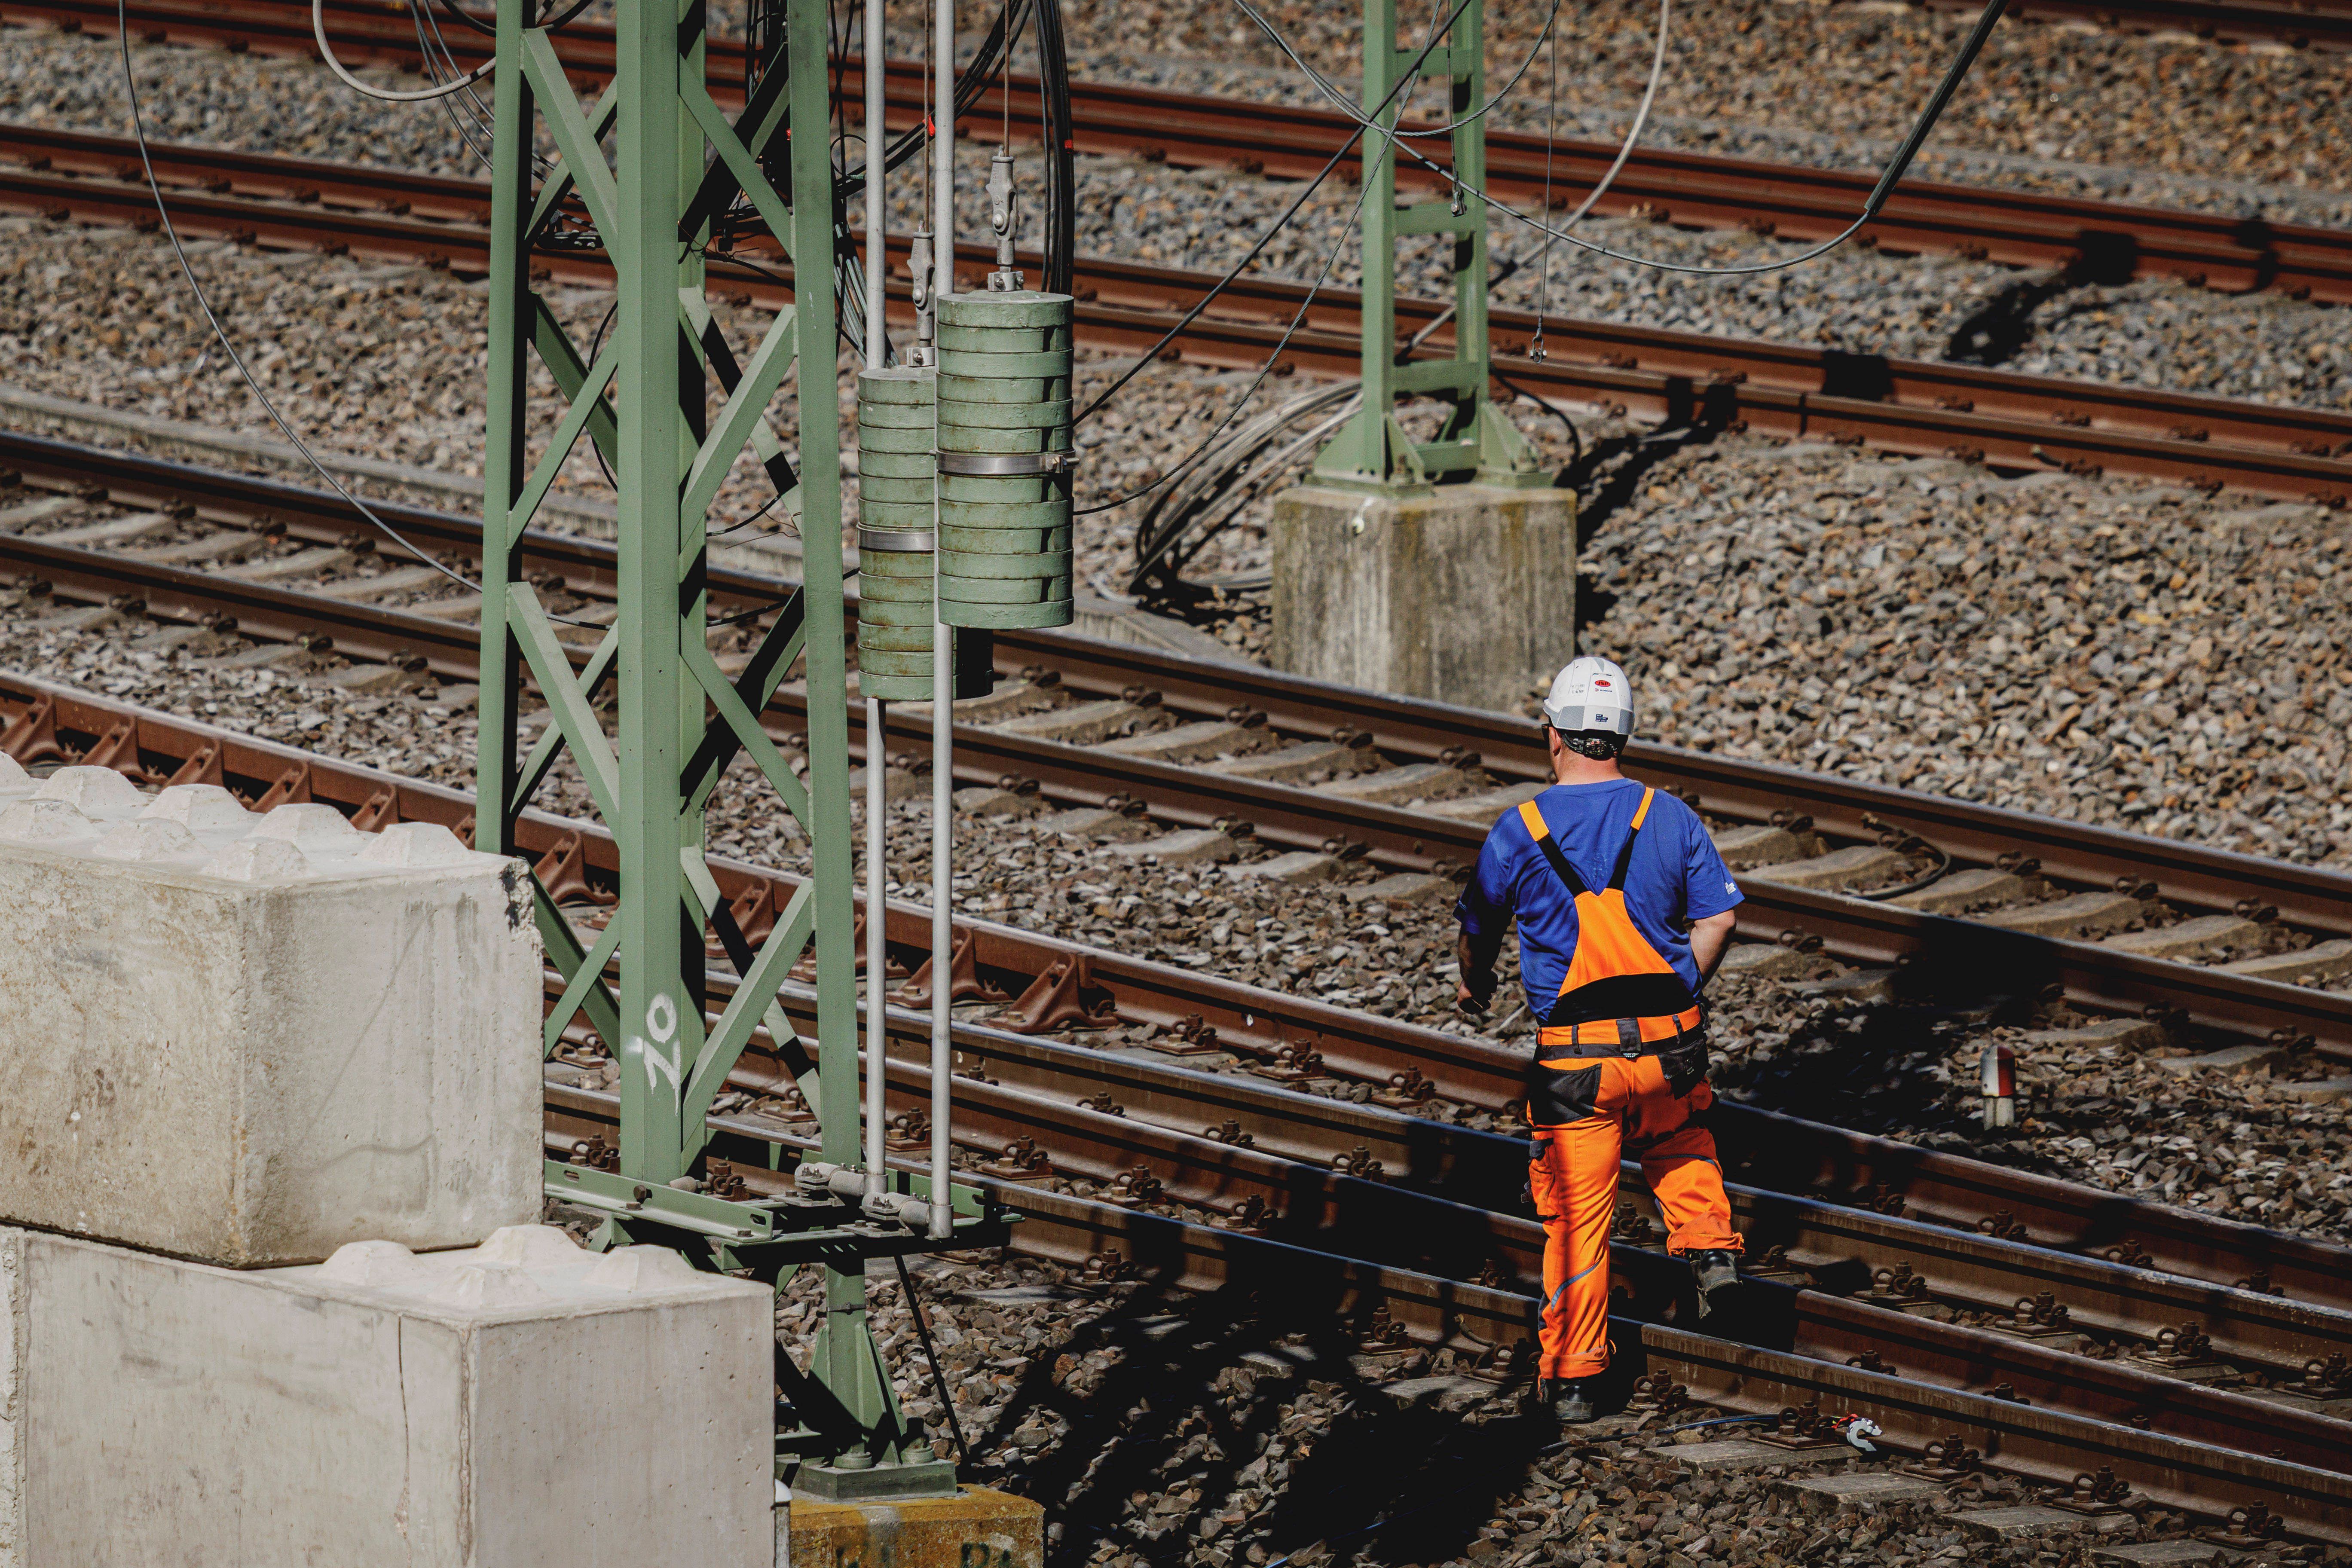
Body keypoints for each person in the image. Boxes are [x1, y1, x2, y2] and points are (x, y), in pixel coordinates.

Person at [1453, 655, 1745, 1426]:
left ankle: (1576, 1379)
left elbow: (1478, 927)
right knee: (1679, 1136)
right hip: (1670, 1040)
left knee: (1578, 1220)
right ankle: (1711, 1248)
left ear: (1553, 735)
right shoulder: (1669, 814)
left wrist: (1473, 984)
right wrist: (1682, 989)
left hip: (1577, 1061)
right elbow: (1718, 918)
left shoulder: (1520, 828)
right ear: (1624, 737)